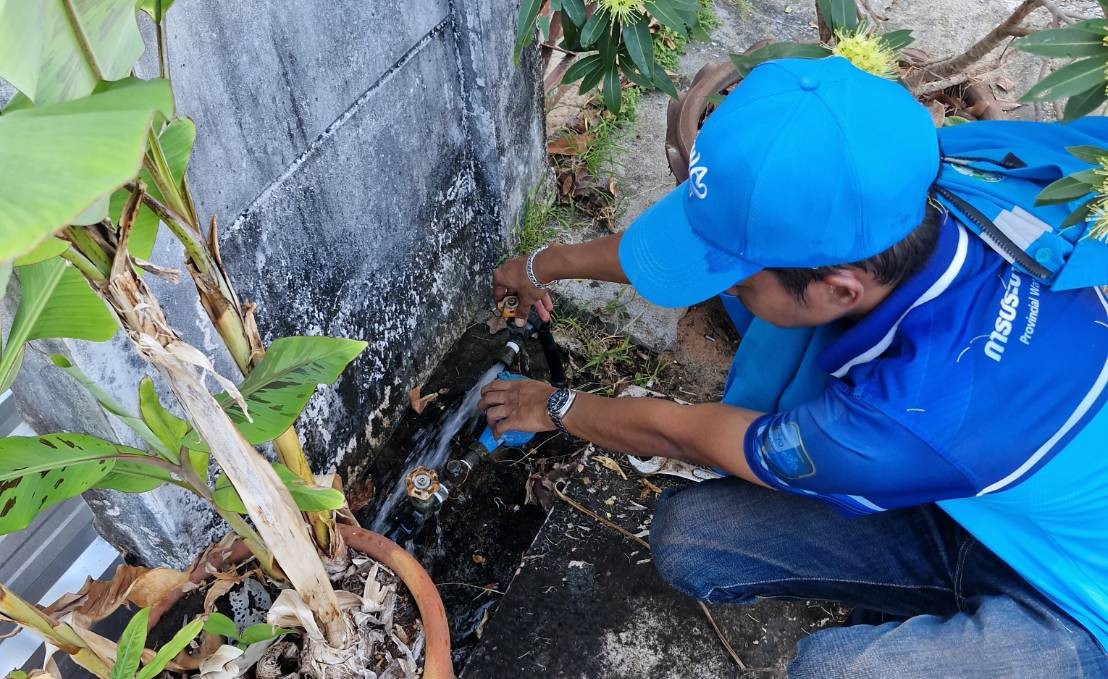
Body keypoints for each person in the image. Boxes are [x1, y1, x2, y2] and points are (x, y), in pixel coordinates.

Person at [479, 56, 1108, 678]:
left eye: (741, 281)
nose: (727, 289)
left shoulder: (895, 420)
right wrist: (545, 264)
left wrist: (556, 406)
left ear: (839, 289)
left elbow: (685, 432)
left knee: (837, 671)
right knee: (697, 540)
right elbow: (708, 236)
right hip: (980, 485)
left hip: (1073, 599)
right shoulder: (927, 171)